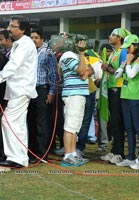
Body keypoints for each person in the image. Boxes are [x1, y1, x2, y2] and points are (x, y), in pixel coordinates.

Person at [0, 16, 38, 168]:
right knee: (18, 124)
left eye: (13, 26)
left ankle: (16, 157)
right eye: (9, 25)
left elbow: (14, 65)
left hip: (21, 89)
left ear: (22, 30)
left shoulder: (25, 44)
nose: (9, 28)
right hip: (18, 89)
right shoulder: (19, 44)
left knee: (9, 121)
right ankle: (19, 158)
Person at [114, 34, 139, 170]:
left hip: (136, 97)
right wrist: (124, 64)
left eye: (128, 47)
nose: (127, 50)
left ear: (135, 45)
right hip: (126, 96)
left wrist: (128, 63)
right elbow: (117, 74)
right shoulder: (130, 59)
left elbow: (132, 74)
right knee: (129, 128)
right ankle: (130, 157)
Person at [100, 28, 131, 164]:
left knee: (118, 122)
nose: (109, 36)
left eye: (113, 35)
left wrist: (107, 68)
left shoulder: (123, 51)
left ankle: (119, 152)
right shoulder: (114, 52)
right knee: (113, 122)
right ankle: (114, 149)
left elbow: (122, 70)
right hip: (111, 88)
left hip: (118, 89)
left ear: (119, 38)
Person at [27, 27, 57, 164]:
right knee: (31, 122)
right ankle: (32, 152)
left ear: (42, 39)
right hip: (30, 90)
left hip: (43, 90)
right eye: (32, 37)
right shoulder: (30, 52)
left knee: (41, 123)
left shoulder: (47, 53)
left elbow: (53, 75)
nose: (33, 40)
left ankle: (41, 154)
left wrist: (51, 92)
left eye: (36, 38)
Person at [58, 39, 90, 166]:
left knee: (75, 126)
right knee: (70, 126)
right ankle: (67, 155)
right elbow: (83, 72)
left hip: (78, 93)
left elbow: (89, 71)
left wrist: (84, 69)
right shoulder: (68, 56)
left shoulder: (74, 57)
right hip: (73, 94)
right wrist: (82, 54)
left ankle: (73, 154)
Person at [96, 43, 113, 153]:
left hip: (113, 95)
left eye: (109, 51)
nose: (107, 54)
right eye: (105, 51)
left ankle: (114, 144)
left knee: (114, 122)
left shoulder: (113, 63)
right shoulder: (96, 64)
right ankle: (103, 144)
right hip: (100, 97)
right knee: (102, 122)